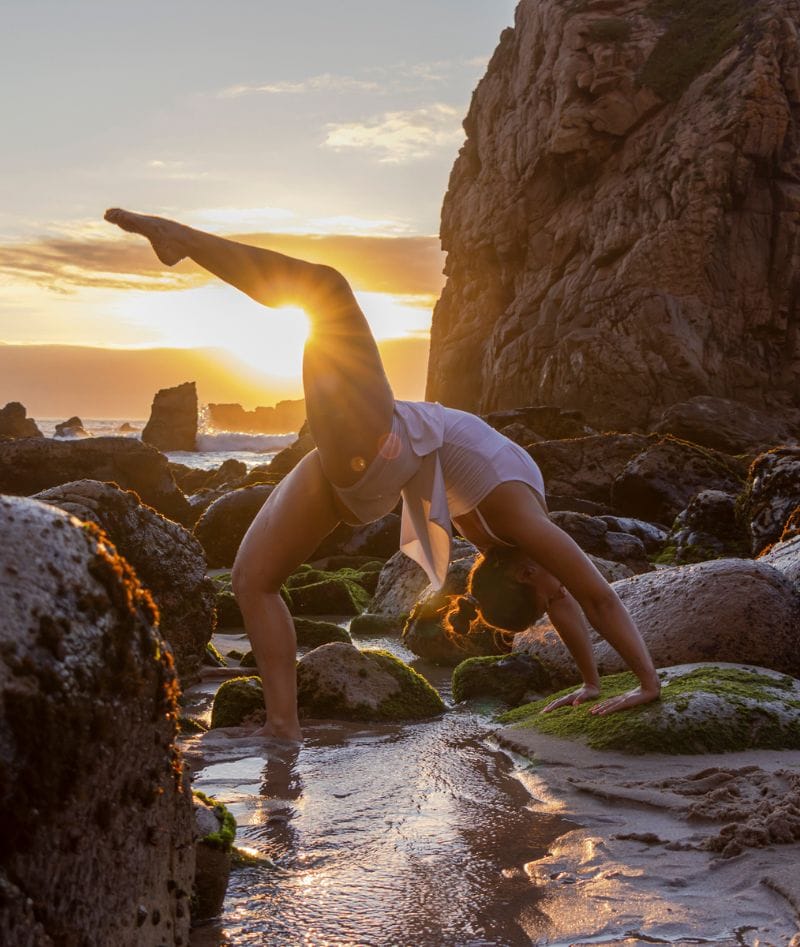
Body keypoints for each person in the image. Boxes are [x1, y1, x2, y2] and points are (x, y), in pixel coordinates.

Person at [104, 209, 661, 741]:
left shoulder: (512, 517)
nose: (558, 587)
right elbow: (572, 599)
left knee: (326, 291)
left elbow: (595, 600)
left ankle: (181, 239)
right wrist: (594, 683)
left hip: (380, 449)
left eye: (545, 588)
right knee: (252, 579)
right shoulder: (504, 534)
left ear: (521, 574)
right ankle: (282, 727)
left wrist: (646, 684)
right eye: (551, 589)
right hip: (367, 477)